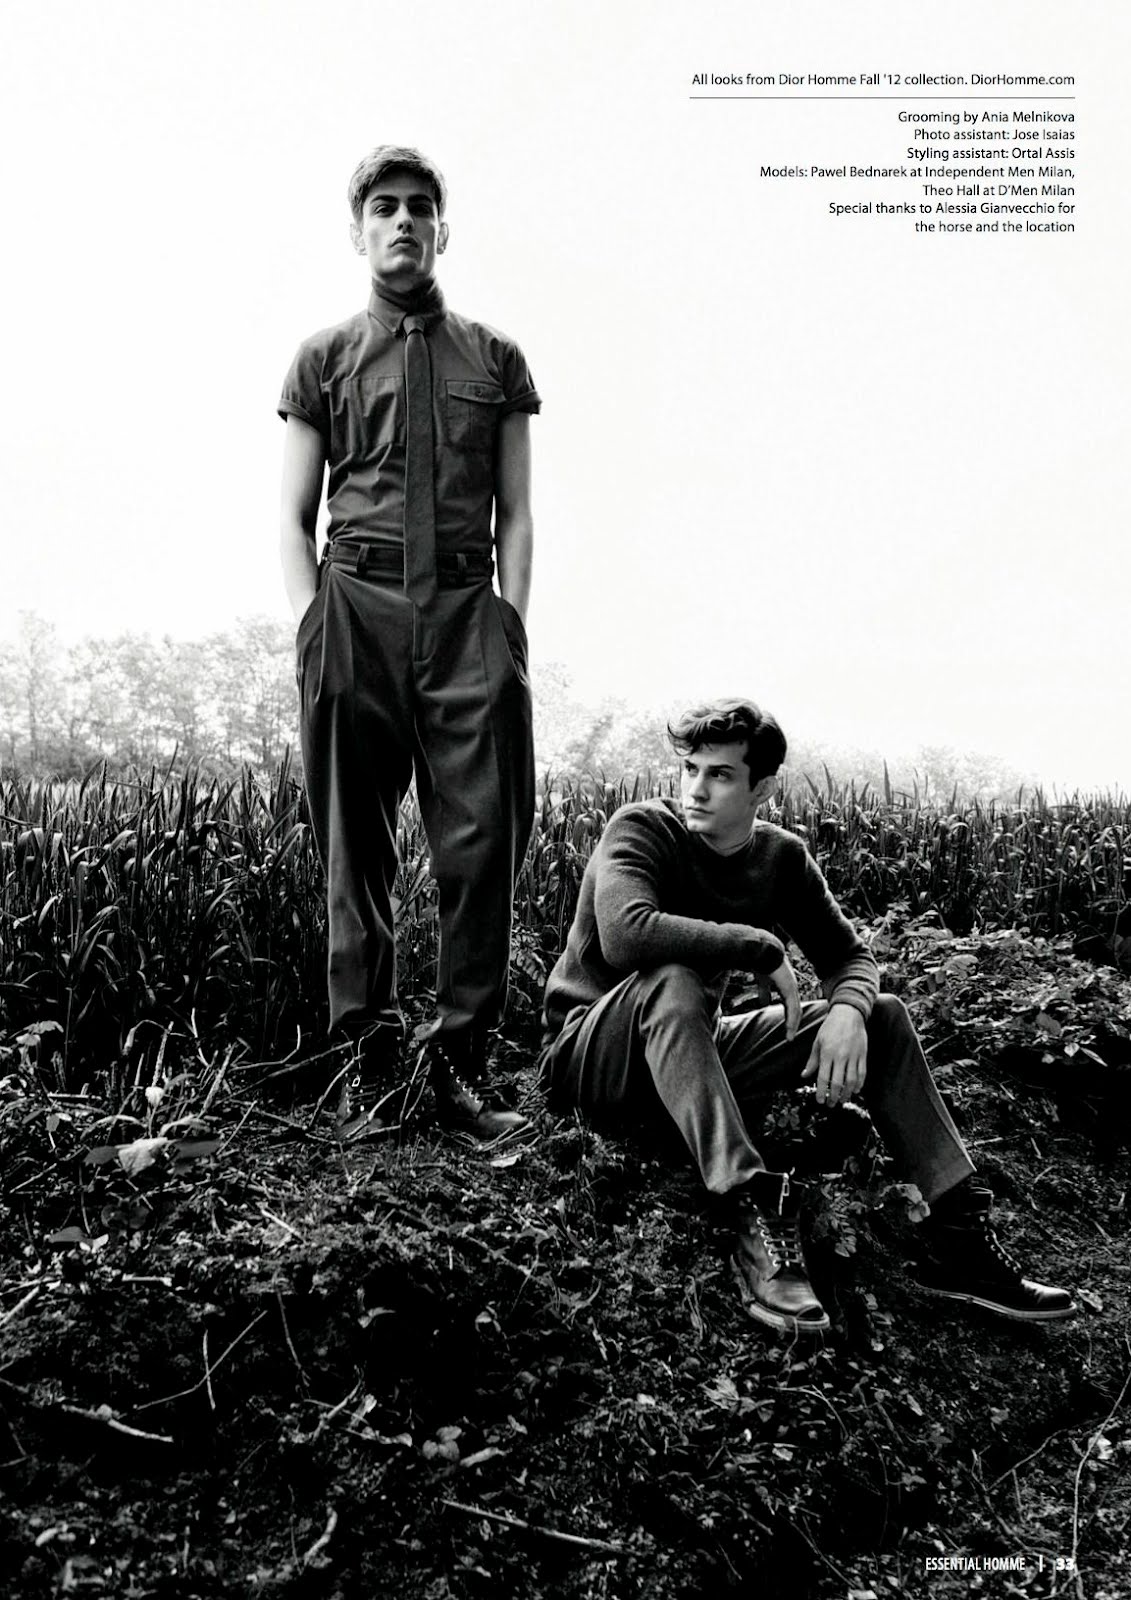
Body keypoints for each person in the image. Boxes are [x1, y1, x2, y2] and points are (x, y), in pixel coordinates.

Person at [540, 699, 1076, 1333]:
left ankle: (957, 1239)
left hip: (689, 1051)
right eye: (690, 769)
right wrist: (758, 946)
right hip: (591, 1055)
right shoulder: (642, 829)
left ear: (762, 788)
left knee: (882, 1015)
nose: (696, 789)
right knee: (673, 978)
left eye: (720, 774)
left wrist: (848, 1009)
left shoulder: (780, 858)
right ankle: (749, 1203)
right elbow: (626, 936)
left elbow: (851, 958)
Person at [278, 145, 536, 1143]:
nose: (402, 221)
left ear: (441, 229)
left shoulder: (494, 358)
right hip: (356, 607)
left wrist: (510, 621)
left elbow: (517, 511)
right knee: (356, 850)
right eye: (383, 207)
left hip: (469, 611)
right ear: (358, 232)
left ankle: (459, 1067)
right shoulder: (324, 358)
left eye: (419, 207)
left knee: (484, 840)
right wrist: (315, 626)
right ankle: (369, 1067)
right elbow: (292, 514)